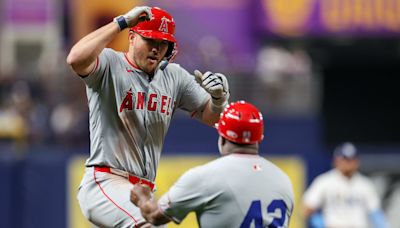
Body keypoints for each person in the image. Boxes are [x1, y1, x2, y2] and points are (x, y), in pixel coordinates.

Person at [66, 6, 230, 228]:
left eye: (163, 44)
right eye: (150, 40)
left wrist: (218, 100)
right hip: (106, 181)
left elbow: (214, 119)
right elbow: (75, 59)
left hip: (142, 191)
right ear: (132, 37)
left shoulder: (174, 76)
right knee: (149, 224)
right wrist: (122, 22)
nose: (156, 49)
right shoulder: (110, 63)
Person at [131, 101, 294, 228]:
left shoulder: (205, 176)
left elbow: (154, 216)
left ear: (222, 138)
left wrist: (142, 198)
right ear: (259, 139)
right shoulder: (283, 180)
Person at [303, 142, 389, 228]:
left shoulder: (365, 184)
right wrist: (320, 223)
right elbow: (307, 208)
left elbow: (375, 213)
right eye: (345, 159)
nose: (348, 163)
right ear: (336, 160)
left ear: (357, 161)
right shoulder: (324, 181)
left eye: (352, 159)